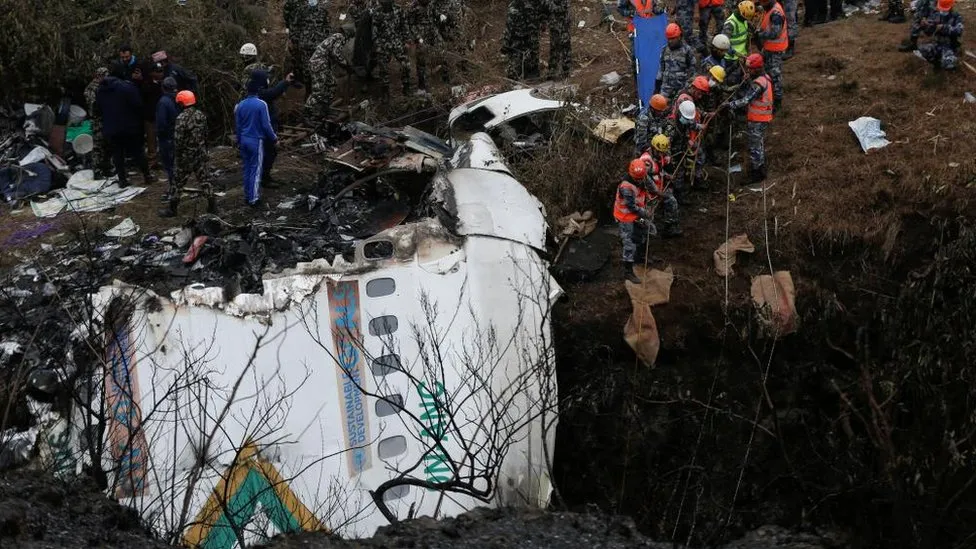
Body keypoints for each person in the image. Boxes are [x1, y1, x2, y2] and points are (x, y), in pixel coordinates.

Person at [96, 62, 150, 188]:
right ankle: (147, 175)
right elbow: (138, 105)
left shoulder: (101, 89)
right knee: (138, 152)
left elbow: (99, 108)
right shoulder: (127, 87)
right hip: (129, 127)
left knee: (117, 154)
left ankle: (122, 180)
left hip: (111, 128)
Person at [160, 91, 212, 217]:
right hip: (200, 154)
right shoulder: (201, 115)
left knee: (178, 183)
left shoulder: (181, 118)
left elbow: (178, 140)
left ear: (181, 103)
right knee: (205, 180)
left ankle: (172, 209)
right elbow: (206, 134)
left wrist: (177, 155)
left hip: (185, 157)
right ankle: (212, 206)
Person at [724, 53, 773, 182]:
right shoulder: (765, 78)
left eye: (750, 69)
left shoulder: (758, 85)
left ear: (757, 68)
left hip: (758, 119)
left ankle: (757, 173)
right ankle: (760, 166)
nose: (748, 71)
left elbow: (746, 100)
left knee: (755, 146)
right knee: (758, 143)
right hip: (762, 118)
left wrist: (729, 105)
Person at [235, 72, 279, 207]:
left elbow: (237, 125)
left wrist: (238, 140)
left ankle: (247, 195)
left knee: (247, 168)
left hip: (243, 139)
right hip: (256, 140)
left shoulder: (240, 105)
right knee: (256, 169)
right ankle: (254, 199)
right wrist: (274, 138)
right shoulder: (261, 104)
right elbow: (266, 125)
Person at [614, 159, 655, 284]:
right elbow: (631, 207)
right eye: (637, 179)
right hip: (625, 218)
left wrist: (657, 193)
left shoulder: (642, 175)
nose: (639, 181)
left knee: (647, 230)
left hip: (636, 215)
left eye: (641, 178)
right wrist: (645, 213)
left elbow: (649, 185)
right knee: (629, 243)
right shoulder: (626, 187)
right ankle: (628, 271)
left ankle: (641, 257)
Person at [305, 29, 352, 131]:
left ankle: (323, 108)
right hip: (318, 65)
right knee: (318, 91)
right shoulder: (340, 37)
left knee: (332, 84)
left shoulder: (334, 36)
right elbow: (336, 53)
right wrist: (346, 64)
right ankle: (307, 114)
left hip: (323, 65)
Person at [283, 0, 330, 89]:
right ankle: (308, 89)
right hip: (305, 46)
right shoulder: (301, 11)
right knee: (306, 68)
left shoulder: (323, 11)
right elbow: (294, 26)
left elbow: (327, 26)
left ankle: (319, 88)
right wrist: (296, 40)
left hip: (319, 46)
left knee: (319, 66)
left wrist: (326, 40)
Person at [666, 98, 705, 201]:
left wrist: (700, 127)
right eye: (686, 118)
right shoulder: (671, 126)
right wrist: (668, 158)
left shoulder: (686, 119)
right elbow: (667, 145)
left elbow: (691, 124)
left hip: (681, 148)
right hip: (673, 153)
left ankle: (680, 190)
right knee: (677, 173)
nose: (687, 120)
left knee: (681, 171)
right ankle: (677, 194)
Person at [372, 0, 413, 97]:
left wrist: (407, 40)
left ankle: (406, 88)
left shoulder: (398, 10)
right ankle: (385, 93)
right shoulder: (377, 12)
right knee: (383, 70)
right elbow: (374, 31)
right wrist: (378, 46)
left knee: (406, 64)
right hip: (383, 44)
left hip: (397, 42)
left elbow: (404, 26)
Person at [755, 0, 787, 112]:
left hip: (775, 49)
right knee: (769, 72)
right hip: (769, 48)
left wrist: (760, 35)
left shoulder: (775, 13)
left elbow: (775, 33)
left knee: (775, 74)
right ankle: (773, 94)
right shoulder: (770, 9)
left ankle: (778, 100)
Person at [407, 0, 445, 92]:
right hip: (421, 36)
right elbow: (411, 25)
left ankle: (439, 75)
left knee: (442, 49)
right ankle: (421, 84)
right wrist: (417, 37)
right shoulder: (414, 7)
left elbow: (434, 12)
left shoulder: (431, 4)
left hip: (432, 33)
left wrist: (440, 15)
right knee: (421, 60)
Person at [917, 0, 964, 70]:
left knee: (949, 64)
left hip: (949, 46)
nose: (942, 11)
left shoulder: (956, 16)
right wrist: (925, 26)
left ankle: (949, 59)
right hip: (937, 44)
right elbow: (928, 33)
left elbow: (959, 31)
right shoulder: (936, 15)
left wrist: (944, 27)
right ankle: (937, 63)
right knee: (921, 50)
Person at [503, 0, 542, 79]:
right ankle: (531, 74)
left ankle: (516, 76)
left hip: (518, 40)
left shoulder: (514, 6)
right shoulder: (534, 4)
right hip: (531, 39)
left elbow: (509, 27)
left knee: (516, 61)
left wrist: (506, 43)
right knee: (532, 56)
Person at [657, 23, 697, 100]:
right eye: (669, 39)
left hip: (681, 89)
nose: (670, 41)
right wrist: (657, 87)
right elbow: (661, 70)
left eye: (673, 38)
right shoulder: (664, 50)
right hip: (666, 90)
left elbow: (693, 70)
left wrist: (687, 87)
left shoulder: (687, 50)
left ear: (679, 37)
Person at [84, 67, 111, 177]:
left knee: (107, 145)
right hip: (97, 120)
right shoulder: (91, 88)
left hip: (105, 119)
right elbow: (94, 104)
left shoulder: (104, 86)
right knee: (98, 146)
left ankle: (107, 168)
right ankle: (98, 170)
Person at [139, 62, 166, 169]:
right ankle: (152, 160)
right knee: (151, 140)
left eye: (161, 71)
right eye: (158, 72)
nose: (161, 74)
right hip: (150, 116)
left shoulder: (163, 84)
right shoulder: (147, 85)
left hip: (161, 116)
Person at [156, 77, 179, 195]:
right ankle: (175, 187)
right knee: (175, 164)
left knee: (170, 165)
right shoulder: (179, 99)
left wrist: (160, 135)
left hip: (167, 138)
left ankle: (174, 189)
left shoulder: (164, 102)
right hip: (176, 136)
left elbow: (161, 123)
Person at [544, 0, 573, 79]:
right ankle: (552, 72)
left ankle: (565, 72)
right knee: (555, 49)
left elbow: (560, 9)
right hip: (555, 27)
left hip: (563, 27)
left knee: (565, 48)